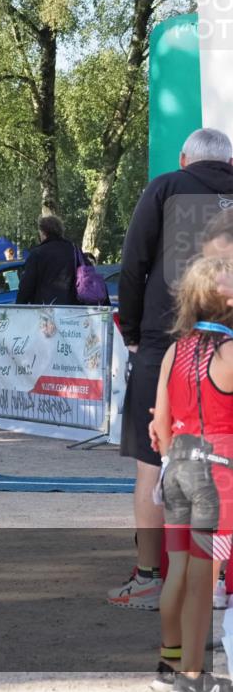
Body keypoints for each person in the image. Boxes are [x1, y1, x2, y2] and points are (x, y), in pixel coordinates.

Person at [113, 128, 233, 611]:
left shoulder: (165, 186)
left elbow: (133, 263)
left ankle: (148, 577)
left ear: (185, 158)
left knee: (152, 462)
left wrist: (136, 333)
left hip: (167, 344)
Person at [148, 256, 233, 692]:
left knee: (178, 572)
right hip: (217, 479)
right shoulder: (229, 352)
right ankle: (194, 677)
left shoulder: (173, 351)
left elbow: (159, 429)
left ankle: (171, 665)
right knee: (205, 581)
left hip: (177, 469)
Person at [15, 216, 78, 305]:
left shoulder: (37, 253)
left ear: (43, 232)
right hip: (74, 308)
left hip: (45, 308)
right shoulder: (74, 250)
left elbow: (27, 285)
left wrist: (19, 305)